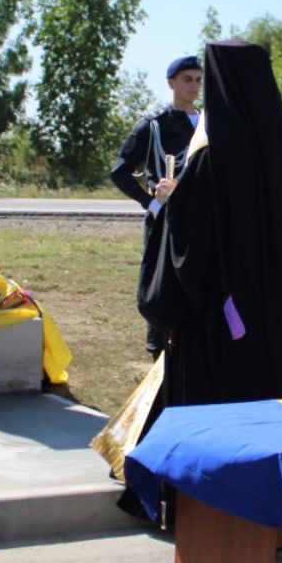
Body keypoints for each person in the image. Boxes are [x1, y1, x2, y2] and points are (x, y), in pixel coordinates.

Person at [138, 40, 282, 409]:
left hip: (220, 314)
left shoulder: (212, 154)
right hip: (272, 303)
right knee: (262, 396)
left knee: (217, 402)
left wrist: (175, 198)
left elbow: (191, 238)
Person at [112, 54, 203, 355]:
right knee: (161, 284)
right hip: (164, 219)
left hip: (197, 220)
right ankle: (158, 351)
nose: (194, 86)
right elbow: (120, 171)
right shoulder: (154, 125)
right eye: (187, 79)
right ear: (171, 82)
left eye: (198, 80)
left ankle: (192, 348)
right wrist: (150, 204)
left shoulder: (208, 125)